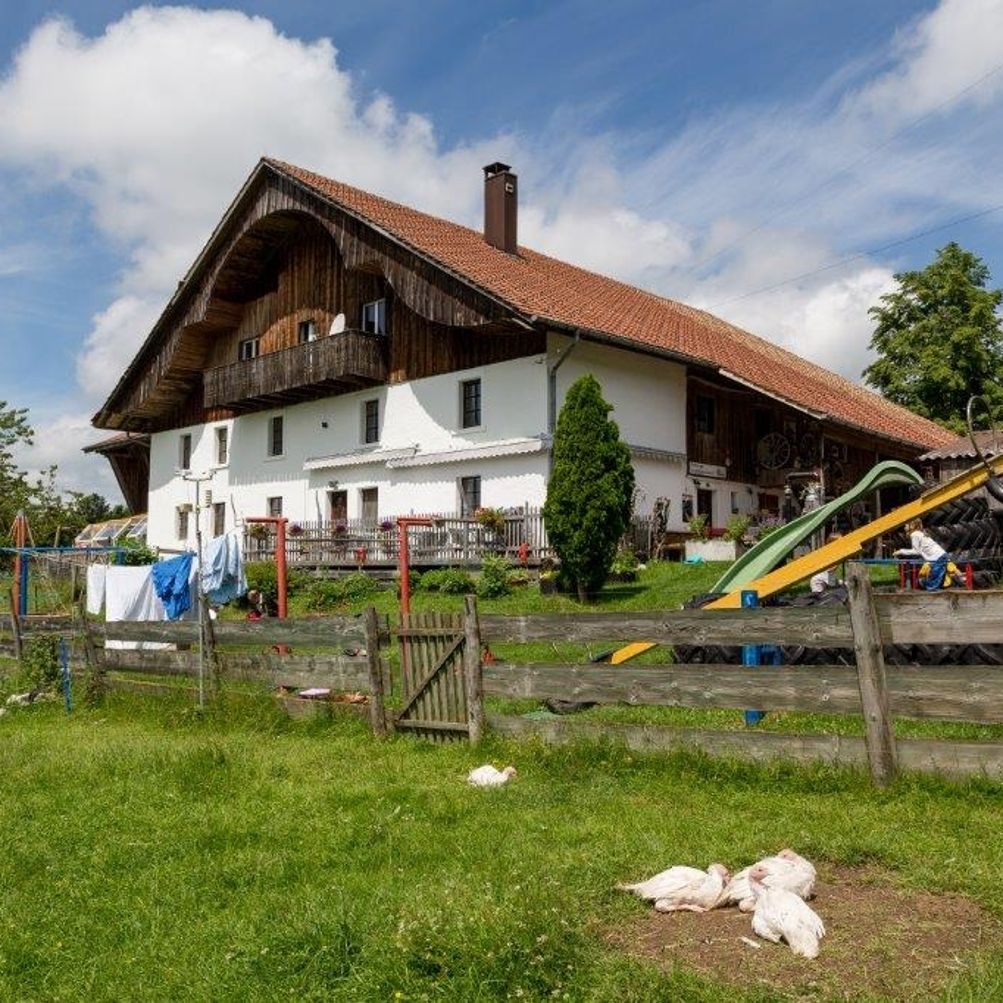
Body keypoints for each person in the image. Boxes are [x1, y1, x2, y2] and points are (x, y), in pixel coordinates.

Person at [899, 519, 951, 590]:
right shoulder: (921, 533)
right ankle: (932, 589)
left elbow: (916, 551)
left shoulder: (914, 534)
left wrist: (901, 551)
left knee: (933, 583)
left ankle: (930, 592)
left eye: (906, 525)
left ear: (912, 526)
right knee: (937, 581)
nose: (904, 527)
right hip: (941, 555)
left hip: (937, 557)